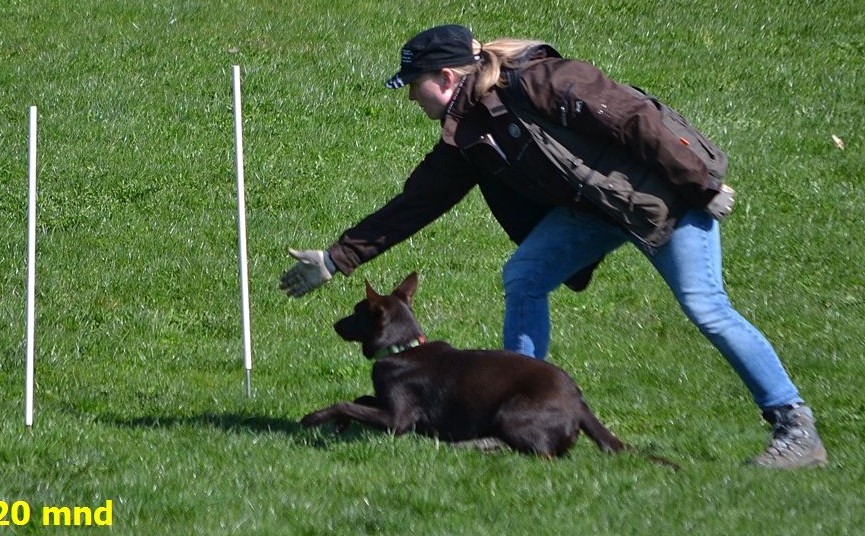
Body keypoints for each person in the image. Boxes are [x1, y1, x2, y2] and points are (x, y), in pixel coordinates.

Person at [279, 24, 826, 468]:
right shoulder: (466, 132)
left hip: (662, 200)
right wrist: (335, 260)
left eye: (413, 83)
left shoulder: (542, 80)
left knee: (707, 307)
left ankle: (794, 425)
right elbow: (415, 204)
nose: (410, 96)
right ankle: (515, 408)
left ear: (445, 78)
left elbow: (634, 117)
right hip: (593, 214)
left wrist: (700, 185)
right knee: (525, 276)